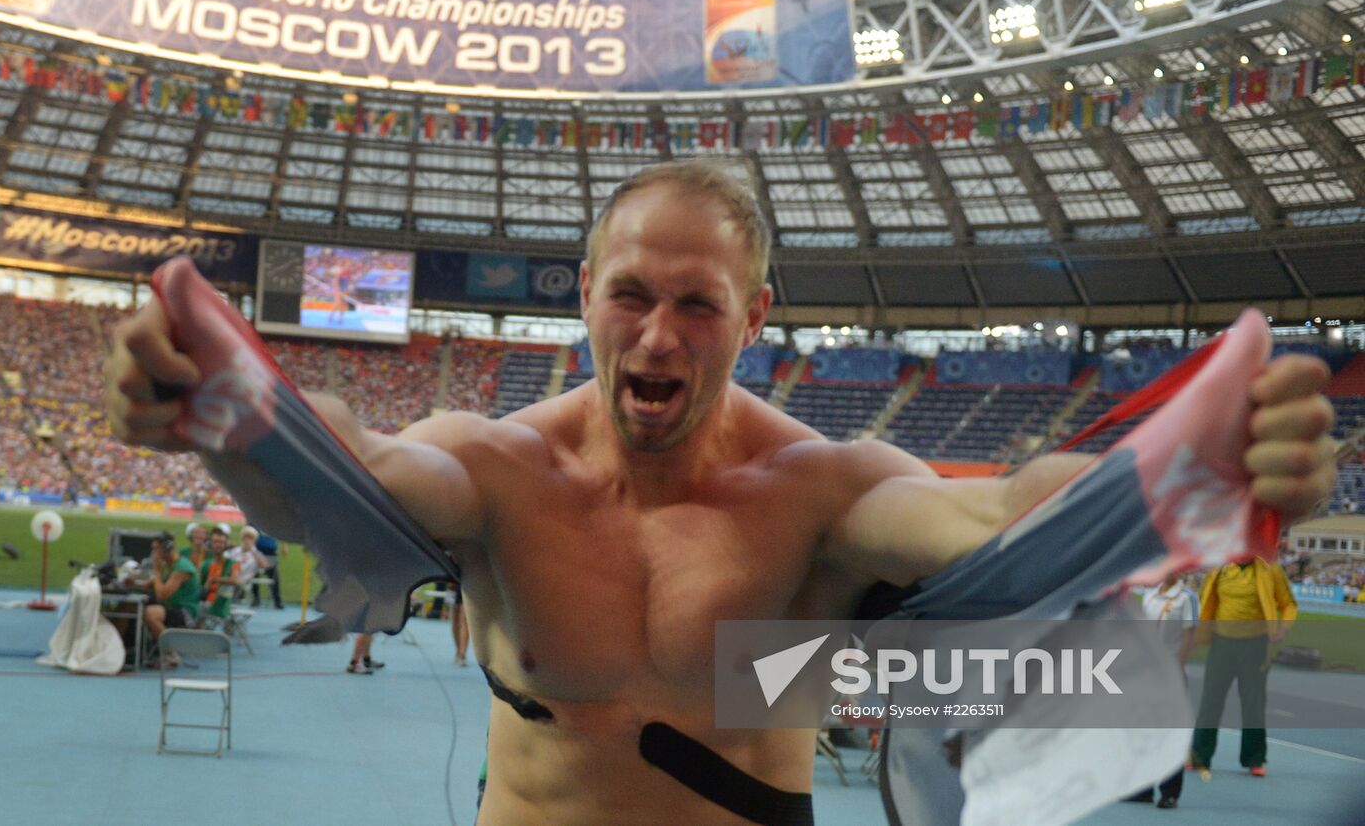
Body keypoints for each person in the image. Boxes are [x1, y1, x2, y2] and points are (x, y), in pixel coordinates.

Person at [105, 160, 1337, 825]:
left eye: (697, 304)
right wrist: (215, 410)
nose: (657, 336)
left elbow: (988, 516)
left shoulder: (814, 488)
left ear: (752, 316)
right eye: (632, 293)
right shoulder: (495, 465)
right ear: (582, 290)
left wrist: (1174, 476)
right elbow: (355, 474)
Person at [1189, 556, 1298, 778]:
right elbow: (1206, 601)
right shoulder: (1219, 569)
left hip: (1255, 645)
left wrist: (1283, 629)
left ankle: (1255, 759)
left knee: (1253, 703)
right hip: (1222, 643)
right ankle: (1200, 755)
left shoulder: (1270, 569)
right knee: (1211, 701)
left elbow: (1288, 604)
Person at [1128, 575, 1200, 809]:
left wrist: (1179, 667)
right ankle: (1143, 788)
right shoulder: (1150, 594)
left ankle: (1170, 792)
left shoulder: (1186, 598)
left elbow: (1190, 635)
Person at [142, 533, 200, 658]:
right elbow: (152, 583)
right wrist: (131, 583)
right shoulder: (168, 565)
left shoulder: (182, 568)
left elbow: (162, 595)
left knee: (151, 613)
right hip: (171, 606)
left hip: (185, 611)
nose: (153, 553)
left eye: (156, 549)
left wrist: (156, 571)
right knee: (128, 607)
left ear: (166, 549)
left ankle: (171, 653)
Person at [199, 526, 240, 622]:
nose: (218, 545)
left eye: (221, 542)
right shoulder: (206, 564)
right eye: (215, 542)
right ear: (211, 544)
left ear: (225, 545)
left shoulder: (232, 563)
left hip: (222, 601)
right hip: (204, 599)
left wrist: (213, 579)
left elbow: (235, 580)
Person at [225, 525, 269, 597]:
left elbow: (264, 566)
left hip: (244, 581)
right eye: (245, 537)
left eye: (250, 538)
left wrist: (253, 552)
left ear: (254, 541)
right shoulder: (235, 551)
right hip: (231, 577)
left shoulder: (257, 553)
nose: (247, 540)